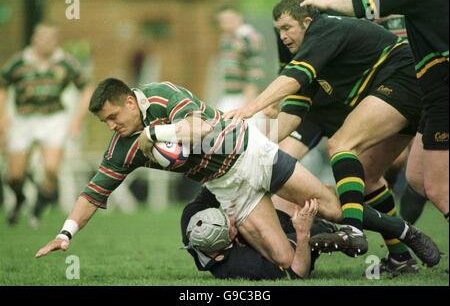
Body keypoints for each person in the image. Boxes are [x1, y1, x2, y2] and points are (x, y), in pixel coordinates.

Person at [35, 78, 344, 277]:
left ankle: (365, 221)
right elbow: (92, 193)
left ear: (130, 101)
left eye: (113, 117)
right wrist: (65, 234)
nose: (111, 126)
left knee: (335, 208)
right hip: (225, 185)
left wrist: (152, 133)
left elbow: (201, 129)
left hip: (247, 152)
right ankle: (310, 233)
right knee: (282, 261)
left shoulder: (163, 95)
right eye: (105, 122)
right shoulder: (122, 147)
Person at [222, 0, 424, 257]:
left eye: (286, 28)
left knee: (342, 145)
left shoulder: (324, 27)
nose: (282, 36)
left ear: (307, 21)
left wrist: (250, 108)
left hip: (404, 80)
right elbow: (295, 105)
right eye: (279, 30)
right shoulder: (297, 42)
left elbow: (294, 79)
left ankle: (352, 230)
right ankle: (400, 256)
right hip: (387, 91)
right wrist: (253, 144)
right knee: (369, 175)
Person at [300, 0, 449, 221]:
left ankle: (357, 229)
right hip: (430, 94)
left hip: (440, 90)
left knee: (439, 189)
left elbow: (365, 5)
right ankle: (402, 251)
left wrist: (327, 0)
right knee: (417, 177)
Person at [181, 187, 440, 279]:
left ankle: (397, 238)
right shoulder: (239, 266)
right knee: (319, 209)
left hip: (273, 220)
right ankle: (332, 235)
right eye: (232, 228)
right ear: (220, 254)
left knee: (320, 193)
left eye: (227, 219)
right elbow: (296, 274)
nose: (234, 220)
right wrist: (302, 232)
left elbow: (215, 180)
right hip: (295, 244)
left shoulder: (193, 218)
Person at [0, 23, 94, 226]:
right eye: (42, 38)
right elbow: (3, 86)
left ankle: (39, 206)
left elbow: (86, 88)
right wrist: (3, 116)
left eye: (51, 39)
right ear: (34, 40)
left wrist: (77, 120)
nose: (46, 43)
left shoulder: (65, 62)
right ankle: (19, 199)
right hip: (22, 118)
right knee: (15, 176)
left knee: (51, 169)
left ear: (56, 41)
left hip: (53, 118)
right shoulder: (19, 62)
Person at [215, 6, 265, 112]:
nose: (226, 23)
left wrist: (249, 98)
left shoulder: (249, 37)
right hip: (229, 94)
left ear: (240, 17)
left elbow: (255, 68)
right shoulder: (226, 38)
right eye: (223, 20)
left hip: (244, 96)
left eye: (230, 19)